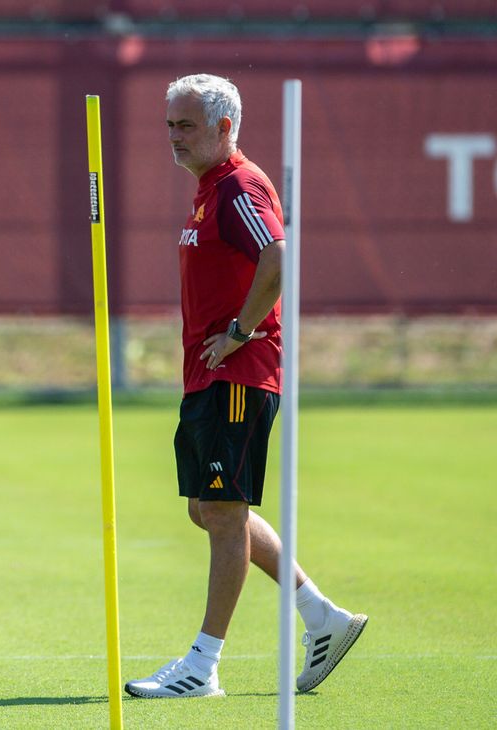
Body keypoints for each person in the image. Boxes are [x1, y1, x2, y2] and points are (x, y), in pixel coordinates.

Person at [124, 74, 367, 699]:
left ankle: (202, 667)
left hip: (238, 373)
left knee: (225, 512)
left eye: (186, 126)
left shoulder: (236, 187)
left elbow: (278, 260)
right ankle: (323, 617)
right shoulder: (210, 190)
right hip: (209, 374)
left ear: (224, 127)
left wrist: (239, 330)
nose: (173, 137)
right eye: (169, 125)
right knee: (206, 508)